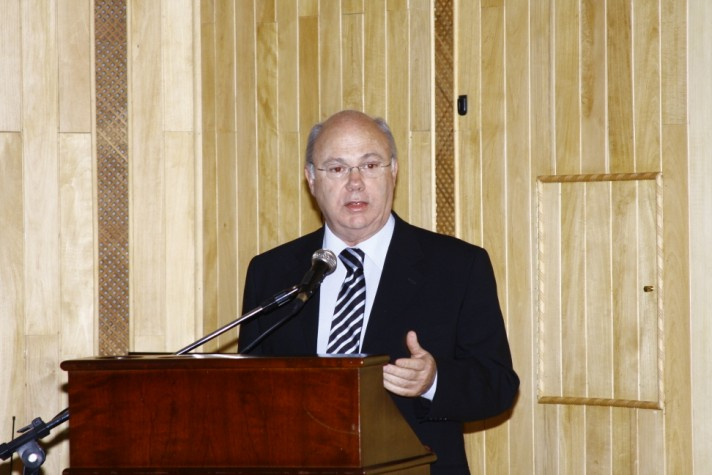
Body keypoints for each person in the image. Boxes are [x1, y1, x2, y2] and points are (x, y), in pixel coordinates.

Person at [238, 110, 519, 474]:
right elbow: (247, 394)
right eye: (337, 168)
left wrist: (433, 380)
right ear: (311, 178)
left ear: (393, 171)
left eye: (370, 165)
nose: (355, 182)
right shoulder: (273, 271)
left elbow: (497, 385)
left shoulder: (457, 266)